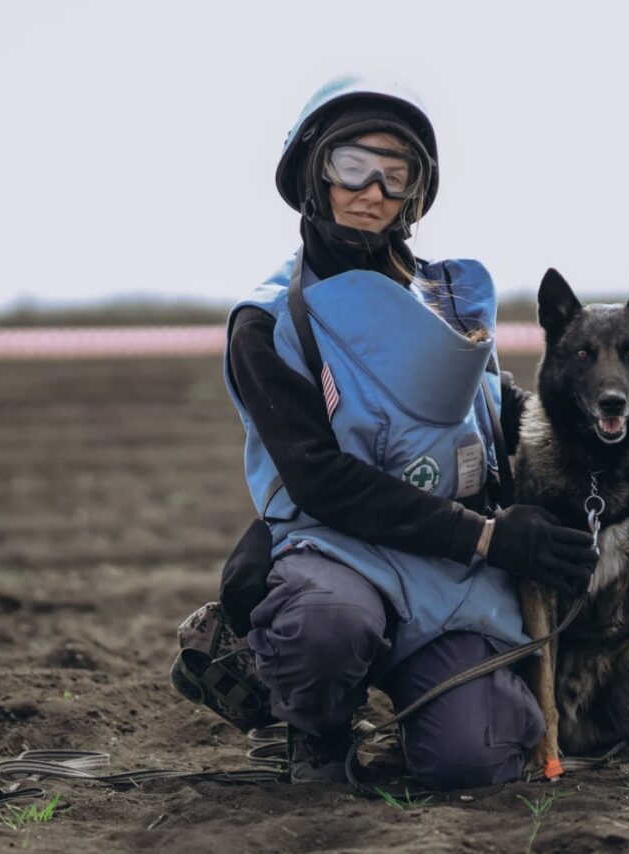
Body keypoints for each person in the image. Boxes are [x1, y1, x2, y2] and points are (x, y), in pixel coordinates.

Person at [221, 75, 598, 789]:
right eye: (351, 166)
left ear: (414, 198)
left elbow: (499, 409)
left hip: (444, 572)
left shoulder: (449, 309)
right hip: (336, 553)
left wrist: (591, 439)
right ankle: (317, 725)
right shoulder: (267, 324)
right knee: (327, 629)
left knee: (471, 760)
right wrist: (491, 538)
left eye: (396, 177)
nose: (372, 191)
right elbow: (322, 480)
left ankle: (421, 702)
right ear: (312, 173)